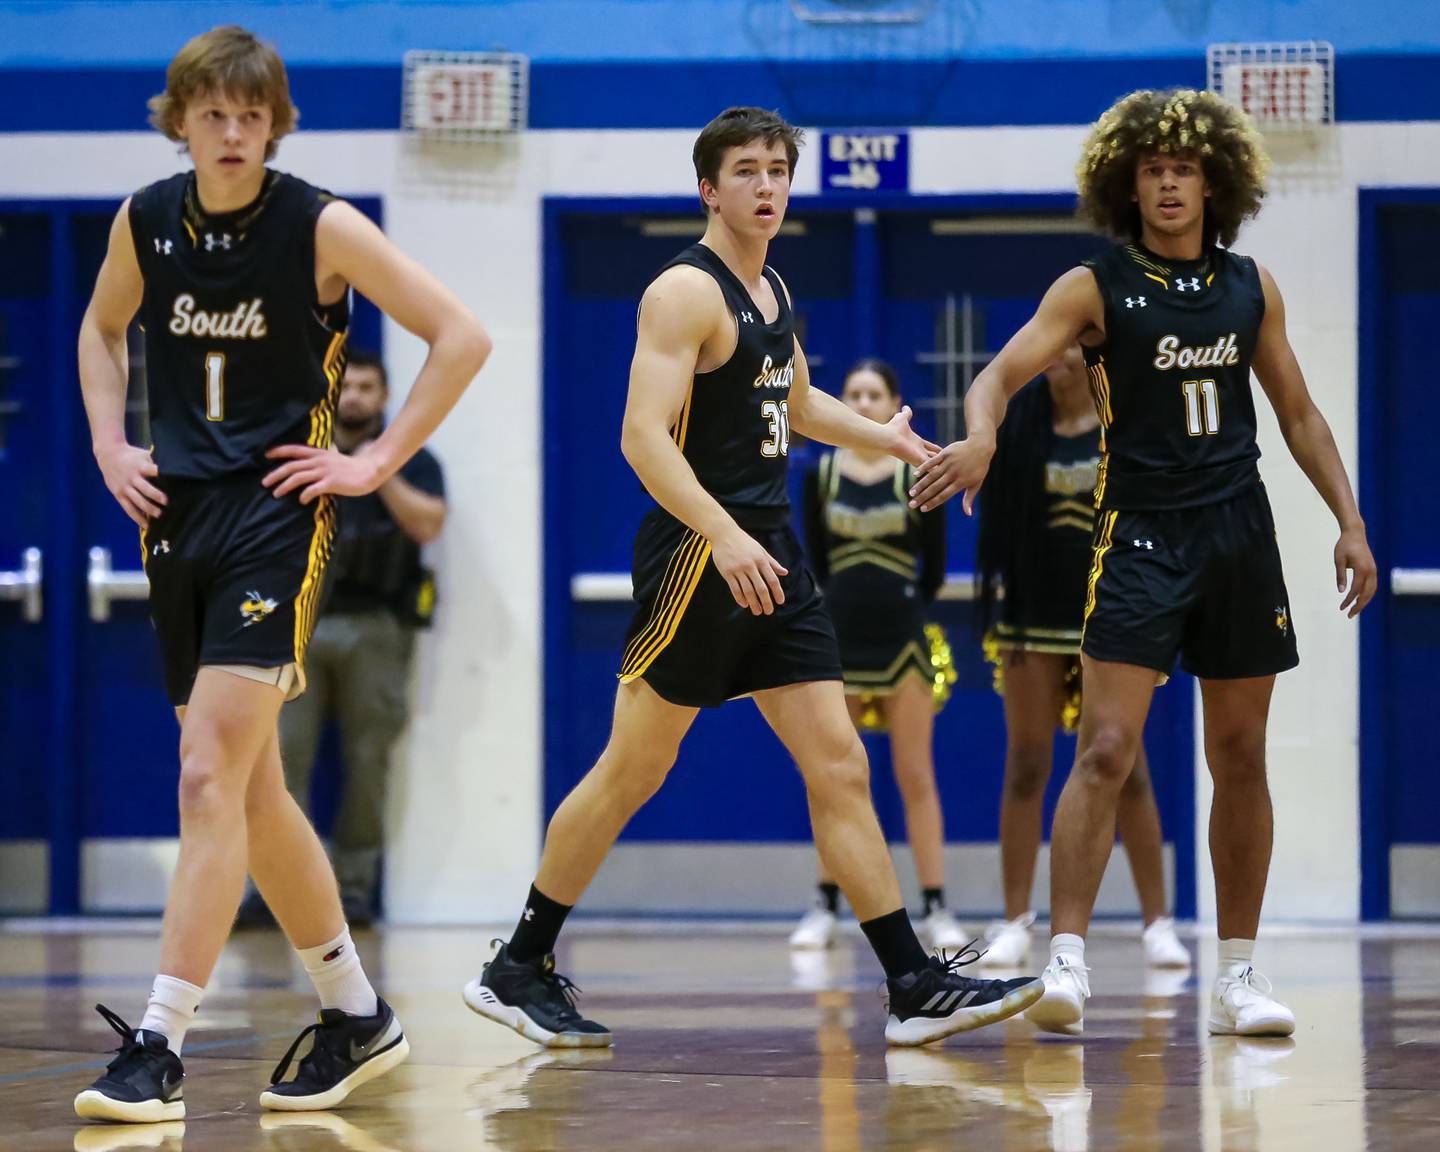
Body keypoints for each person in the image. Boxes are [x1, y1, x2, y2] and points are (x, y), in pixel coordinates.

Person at [462, 106, 1042, 1050]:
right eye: (747, 171)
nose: (767, 185)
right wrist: (725, 535)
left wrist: (885, 440)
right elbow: (640, 437)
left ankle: (909, 985)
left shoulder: (769, 286)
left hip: (771, 555)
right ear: (709, 188)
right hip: (702, 556)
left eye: (779, 169)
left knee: (839, 763)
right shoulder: (682, 293)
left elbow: (799, 401)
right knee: (631, 771)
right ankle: (517, 964)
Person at [73, 26, 489, 1123]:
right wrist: (111, 445)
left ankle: (160, 1043)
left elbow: (460, 335)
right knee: (251, 793)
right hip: (179, 519)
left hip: (276, 519)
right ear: (181, 121)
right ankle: (356, 1013)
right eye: (213, 112)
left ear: (275, 124)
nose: (233, 131)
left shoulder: (321, 223)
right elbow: (100, 331)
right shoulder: (144, 222)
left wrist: (375, 460)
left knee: (208, 774)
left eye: (253, 114)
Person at [909, 88, 1376, 1037]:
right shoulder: (1094, 287)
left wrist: (1350, 520)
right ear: (1128, 186)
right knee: (1108, 750)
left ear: (1215, 183)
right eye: (1153, 170)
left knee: (1240, 754)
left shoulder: (1253, 285)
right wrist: (984, 438)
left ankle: (1238, 975)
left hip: (1239, 532)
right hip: (1139, 535)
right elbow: (997, 375)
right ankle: (1068, 961)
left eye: (1184, 169)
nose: (1169, 183)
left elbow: (1298, 414)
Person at [974, 348, 1189, 971]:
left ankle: (1158, 924)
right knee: (1026, 767)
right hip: (1032, 615)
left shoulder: (1123, 425)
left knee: (1128, 768)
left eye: (1076, 345)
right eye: (1056, 346)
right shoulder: (1019, 427)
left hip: (1111, 613)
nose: (1062, 356)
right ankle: (1014, 921)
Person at [238, 349, 447, 928]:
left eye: (366, 387)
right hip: (298, 626)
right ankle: (272, 892)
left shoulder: (413, 459)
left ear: (384, 397)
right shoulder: (297, 455)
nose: (354, 396)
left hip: (378, 627)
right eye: (346, 387)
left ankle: (353, 891)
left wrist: (374, 470)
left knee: (367, 760)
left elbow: (428, 523)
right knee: (278, 761)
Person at [787, 357, 967, 952]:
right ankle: (825, 904)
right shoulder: (820, 474)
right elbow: (814, 558)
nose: (862, 403)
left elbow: (935, 567)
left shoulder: (912, 469)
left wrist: (908, 605)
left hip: (903, 641)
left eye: (873, 394)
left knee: (916, 775)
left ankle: (936, 905)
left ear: (893, 403)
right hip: (837, 642)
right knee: (832, 779)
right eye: (852, 393)